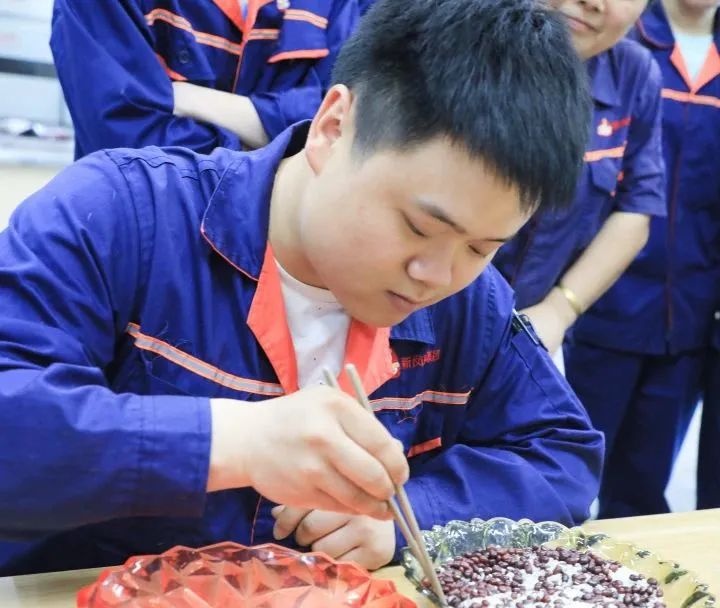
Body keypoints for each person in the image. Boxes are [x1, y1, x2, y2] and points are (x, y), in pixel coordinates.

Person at [0, 0, 602, 577]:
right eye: (419, 227)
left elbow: (562, 456)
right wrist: (231, 441)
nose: (436, 276)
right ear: (334, 128)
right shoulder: (121, 216)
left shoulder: (471, 303)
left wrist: (409, 519)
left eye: (481, 248)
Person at [565, 0, 720, 518]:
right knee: (568, 474)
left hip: (689, 322)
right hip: (600, 306)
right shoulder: (618, 39)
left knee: (642, 489)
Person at [493, 0, 666, 355]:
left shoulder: (634, 75)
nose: (592, 3)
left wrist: (560, 309)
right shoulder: (453, 41)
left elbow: (636, 207)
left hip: (532, 336)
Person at [50, 0, 361, 157]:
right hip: (138, 240)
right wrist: (281, 143)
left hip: (283, 254)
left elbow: (357, 125)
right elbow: (127, 141)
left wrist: (194, 100)